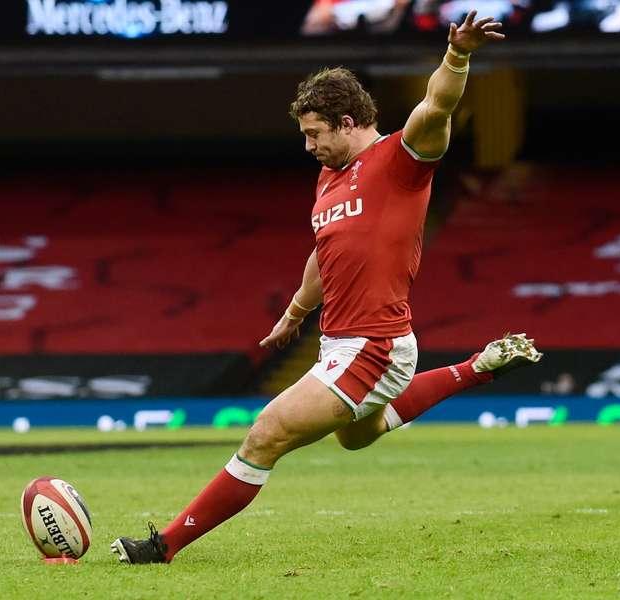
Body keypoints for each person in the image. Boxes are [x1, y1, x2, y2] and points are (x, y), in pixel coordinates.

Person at [112, 11, 539, 564]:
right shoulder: (328, 180)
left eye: (314, 134)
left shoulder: (401, 160)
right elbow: (324, 252)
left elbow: (438, 106)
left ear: (345, 121)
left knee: (266, 433)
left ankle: (163, 546)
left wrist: (457, 54)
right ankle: (476, 368)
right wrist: (294, 312)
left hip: (374, 344)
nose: (308, 146)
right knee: (357, 436)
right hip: (341, 342)